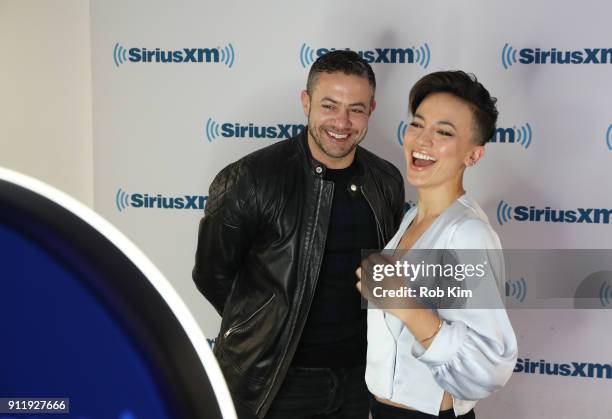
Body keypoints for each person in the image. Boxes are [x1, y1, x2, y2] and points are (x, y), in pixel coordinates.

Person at [193, 50, 405, 419]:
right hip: (276, 380)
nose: (342, 121)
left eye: (355, 108)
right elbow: (213, 274)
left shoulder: (385, 181)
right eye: (329, 105)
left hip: (358, 379)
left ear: (371, 109)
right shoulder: (251, 178)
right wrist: (266, 328)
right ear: (306, 102)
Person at [357, 71, 518, 418]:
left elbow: (490, 363)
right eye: (418, 125)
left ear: (473, 156)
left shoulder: (467, 234)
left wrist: (406, 307)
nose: (422, 140)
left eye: (444, 132)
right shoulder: (409, 219)